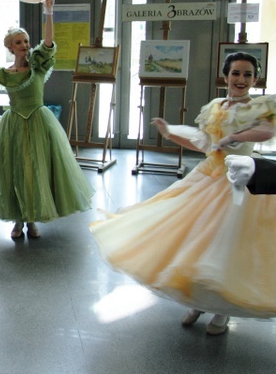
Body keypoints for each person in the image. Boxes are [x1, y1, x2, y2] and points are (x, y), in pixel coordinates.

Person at [91, 52, 276, 336]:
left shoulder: (259, 107)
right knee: (195, 242)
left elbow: (265, 131)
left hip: (239, 182)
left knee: (228, 248)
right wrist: (170, 133)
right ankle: (198, 301)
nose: (241, 79)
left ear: (255, 79)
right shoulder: (215, 106)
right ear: (225, 76)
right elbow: (203, 142)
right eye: (236, 73)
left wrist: (236, 137)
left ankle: (221, 310)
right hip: (206, 179)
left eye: (248, 74)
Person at [0, 5, 94, 240]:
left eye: (26, 41)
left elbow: (48, 43)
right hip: (14, 125)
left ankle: (32, 219)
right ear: (9, 46)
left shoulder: (38, 65)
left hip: (39, 123)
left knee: (36, 172)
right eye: (18, 42)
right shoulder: (3, 73)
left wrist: (48, 13)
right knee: (16, 171)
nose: (25, 45)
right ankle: (19, 220)